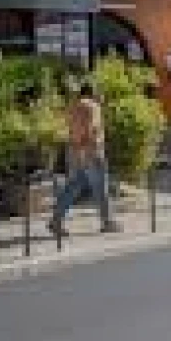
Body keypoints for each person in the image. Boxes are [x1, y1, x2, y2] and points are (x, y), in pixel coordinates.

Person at [48, 82, 120, 237]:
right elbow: (90, 126)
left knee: (72, 187)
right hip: (91, 151)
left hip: (73, 151)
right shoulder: (92, 106)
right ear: (92, 92)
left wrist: (78, 147)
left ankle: (56, 220)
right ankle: (107, 222)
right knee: (101, 188)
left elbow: (69, 128)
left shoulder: (72, 107)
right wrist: (87, 146)